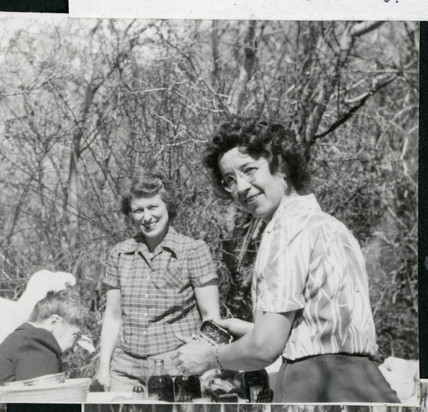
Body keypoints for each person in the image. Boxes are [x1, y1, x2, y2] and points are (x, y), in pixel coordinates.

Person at [172, 118, 400, 403]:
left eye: (249, 170)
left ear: (281, 165)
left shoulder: (284, 228)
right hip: (368, 387)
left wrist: (211, 357)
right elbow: (324, 331)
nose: (240, 187)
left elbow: (265, 348)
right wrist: (248, 328)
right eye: (230, 179)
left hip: (316, 390)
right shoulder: (331, 226)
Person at [94, 171, 220, 392]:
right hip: (125, 369)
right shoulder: (120, 253)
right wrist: (103, 368)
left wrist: (210, 359)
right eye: (138, 210)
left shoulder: (193, 250)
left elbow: (211, 316)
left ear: (167, 207)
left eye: (153, 207)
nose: (146, 216)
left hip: (177, 365)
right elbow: (113, 316)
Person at [0, 288, 88, 388]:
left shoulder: (24, 338)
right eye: (75, 335)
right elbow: (40, 403)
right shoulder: (38, 341)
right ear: (54, 322)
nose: (73, 345)